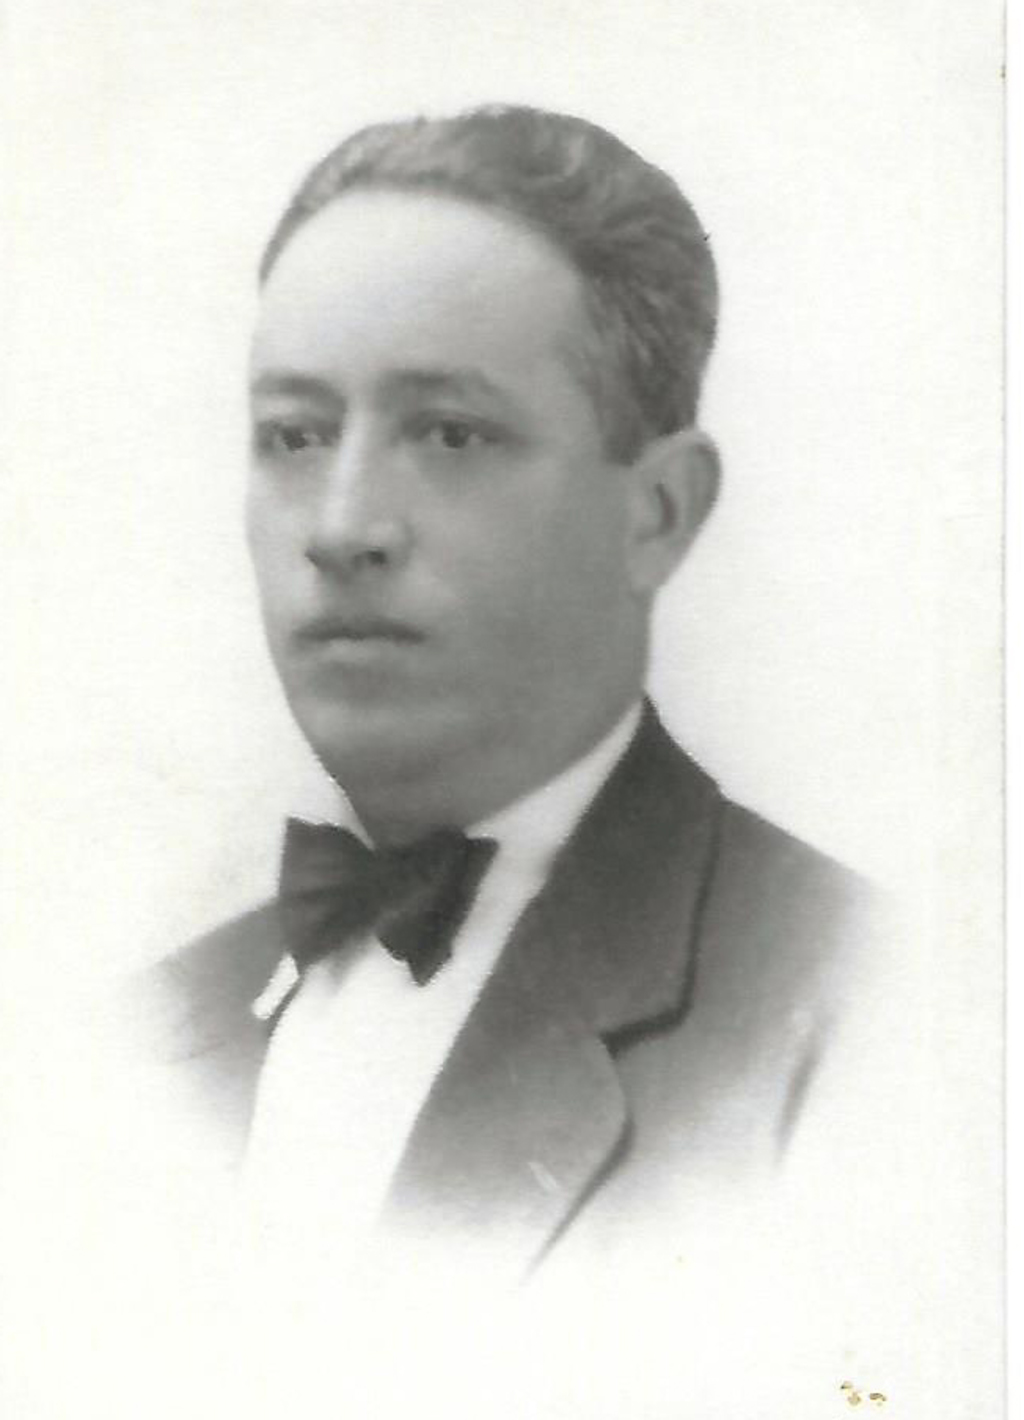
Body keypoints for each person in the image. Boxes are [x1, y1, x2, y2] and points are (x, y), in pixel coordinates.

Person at [130, 108, 899, 1397]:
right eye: (295, 435)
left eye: (450, 434)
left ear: (657, 514)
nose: (342, 526)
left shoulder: (875, 1027)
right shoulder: (127, 1048)